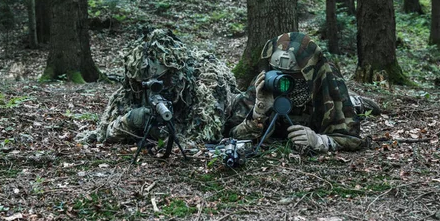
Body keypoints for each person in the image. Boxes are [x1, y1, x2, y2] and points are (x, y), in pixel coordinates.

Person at [78, 28, 238, 146]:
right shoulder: (135, 87)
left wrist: (157, 131)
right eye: (142, 82)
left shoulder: (207, 82)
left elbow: (204, 138)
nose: (150, 86)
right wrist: (131, 119)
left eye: (159, 80)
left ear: (174, 74)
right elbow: (105, 133)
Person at [225, 32, 379, 154]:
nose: (284, 81)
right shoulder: (267, 80)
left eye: (294, 77)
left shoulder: (326, 79)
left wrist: (318, 141)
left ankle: (356, 102)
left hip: (321, 106)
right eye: (279, 73)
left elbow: (351, 138)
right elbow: (232, 133)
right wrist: (258, 113)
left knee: (353, 106)